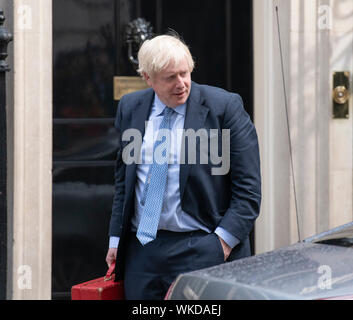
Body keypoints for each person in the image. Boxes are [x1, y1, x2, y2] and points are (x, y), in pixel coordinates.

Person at [106, 34, 261, 300]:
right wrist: (116, 240)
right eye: (170, 77)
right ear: (148, 78)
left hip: (203, 246)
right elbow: (125, 182)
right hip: (143, 252)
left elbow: (248, 190)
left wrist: (221, 244)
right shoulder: (131, 107)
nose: (181, 84)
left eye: (185, 73)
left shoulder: (224, 107)